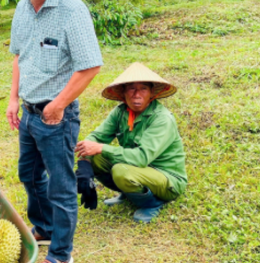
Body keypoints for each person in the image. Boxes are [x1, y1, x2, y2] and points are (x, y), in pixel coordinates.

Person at [5, 0, 103, 263]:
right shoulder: (21, 9)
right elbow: (19, 56)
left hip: (57, 115)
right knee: (29, 175)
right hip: (30, 112)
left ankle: (61, 254)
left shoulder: (72, 10)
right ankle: (44, 227)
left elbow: (90, 66)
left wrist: (58, 105)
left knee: (61, 187)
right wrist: (13, 100)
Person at [75, 62, 188, 223]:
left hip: (167, 178)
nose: (137, 94)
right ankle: (129, 194)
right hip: (138, 168)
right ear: (123, 93)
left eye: (143, 89)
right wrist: (85, 165)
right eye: (131, 88)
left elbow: (141, 158)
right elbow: (96, 138)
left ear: (151, 93)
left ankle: (152, 203)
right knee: (95, 156)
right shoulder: (120, 112)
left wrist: (101, 148)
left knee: (121, 171)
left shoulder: (162, 119)